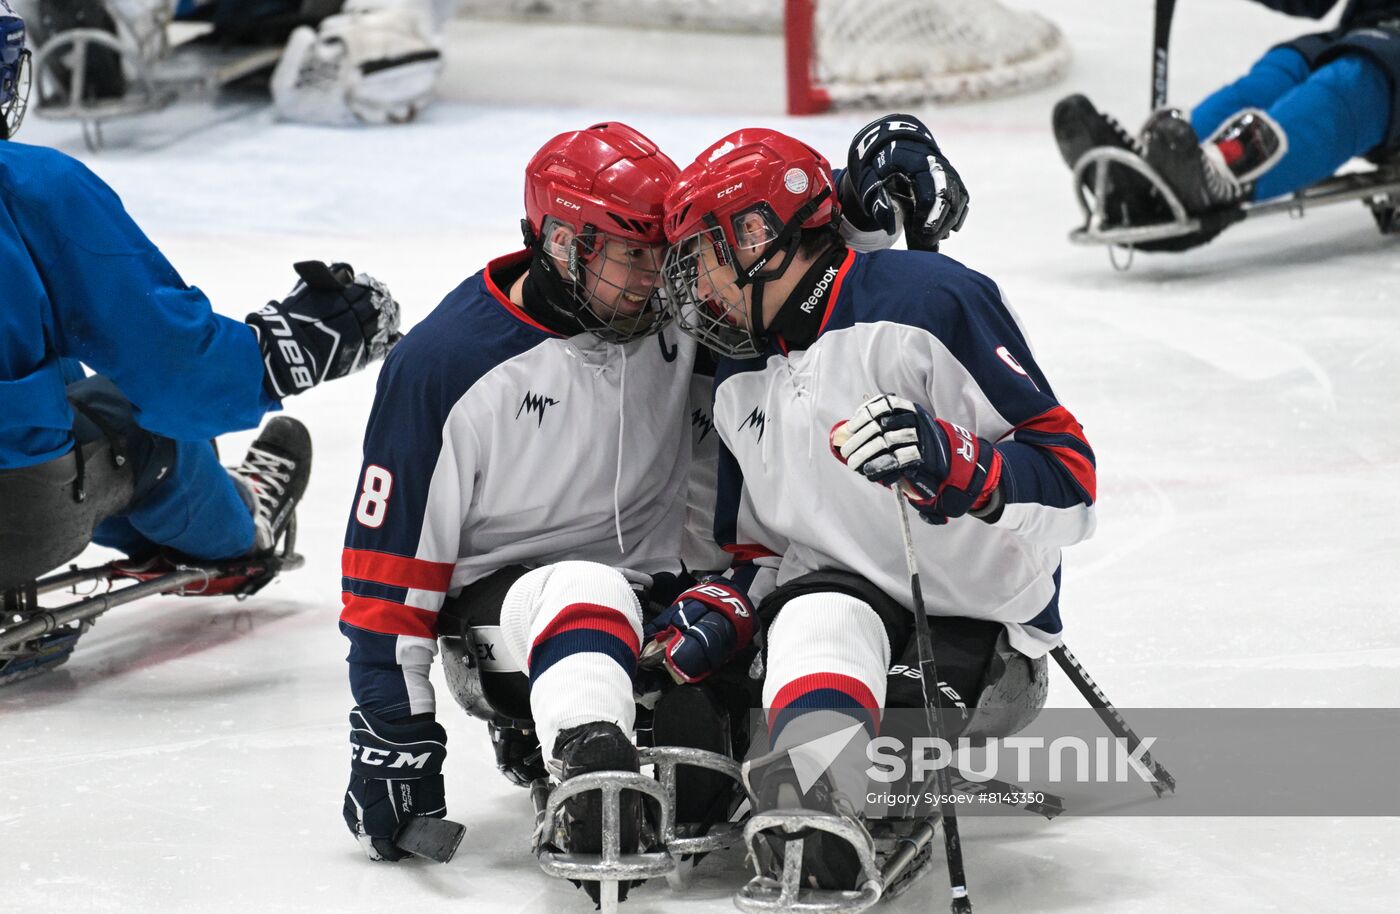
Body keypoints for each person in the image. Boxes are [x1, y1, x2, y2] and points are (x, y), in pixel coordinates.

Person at [336, 117, 970, 903]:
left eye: (663, 252)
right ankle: (589, 755)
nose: (652, 277)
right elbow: (384, 579)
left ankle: (812, 789)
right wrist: (394, 737)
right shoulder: (441, 367)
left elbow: (796, 273)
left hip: (672, 603)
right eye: (628, 253)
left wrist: (861, 206)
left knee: (794, 652)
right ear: (561, 244)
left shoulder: (678, 313)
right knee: (583, 587)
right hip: (515, 623)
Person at [659, 127, 1095, 893]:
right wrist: (729, 599)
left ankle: (832, 781)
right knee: (794, 627)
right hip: (838, 599)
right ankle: (812, 803)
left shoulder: (929, 303)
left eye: (706, 257)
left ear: (759, 238)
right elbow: (762, 551)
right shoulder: (737, 370)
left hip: (973, 618)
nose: (698, 288)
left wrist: (960, 464)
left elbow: (1072, 484)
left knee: (895, 729)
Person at [0, 0, 402, 597]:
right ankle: (241, 521)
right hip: (15, 521)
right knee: (141, 422)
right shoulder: (32, 186)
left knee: (61, 398)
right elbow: (172, 370)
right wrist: (288, 346)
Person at [1053, 0, 1398, 247]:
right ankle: (1156, 175)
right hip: (1371, 27)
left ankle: (1218, 178)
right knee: (1280, 71)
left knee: (1353, 82)